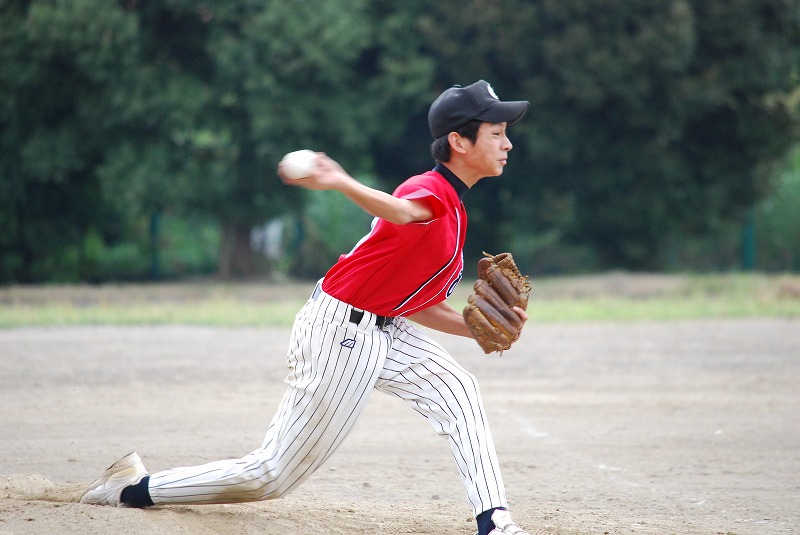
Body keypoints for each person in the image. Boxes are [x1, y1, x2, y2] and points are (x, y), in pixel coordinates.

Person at [80, 80, 533, 535]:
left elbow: (414, 303)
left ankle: (494, 523)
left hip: (384, 328)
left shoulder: (454, 209)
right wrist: (339, 182)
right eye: (496, 133)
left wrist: (474, 330)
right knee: (270, 475)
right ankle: (129, 489)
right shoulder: (428, 190)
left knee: (459, 393)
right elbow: (402, 210)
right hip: (341, 333)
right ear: (459, 141)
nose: (507, 142)